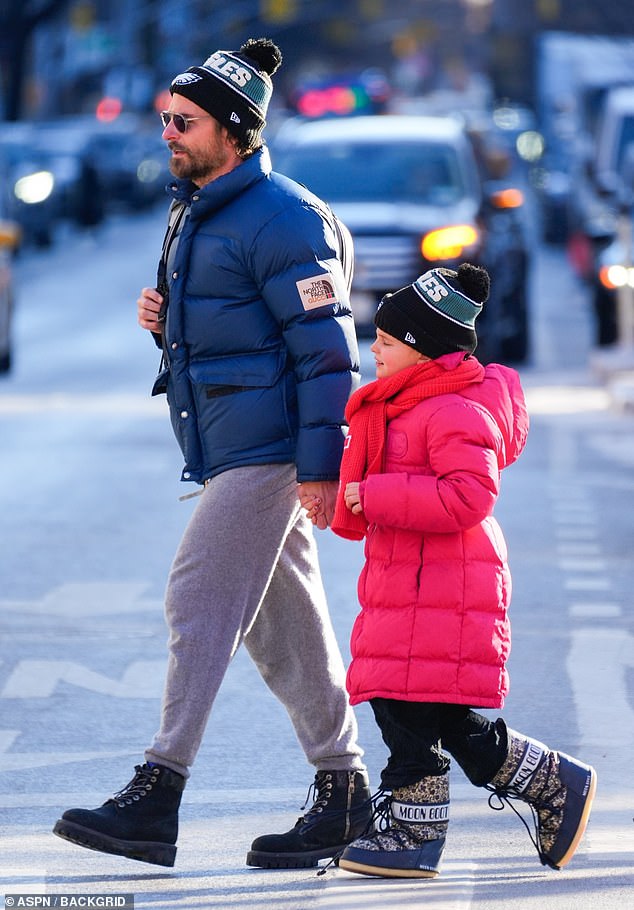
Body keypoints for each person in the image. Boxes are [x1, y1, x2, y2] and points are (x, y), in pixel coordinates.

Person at [53, 37, 372, 870]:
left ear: (233, 129)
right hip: (235, 441)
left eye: (182, 121)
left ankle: (157, 793)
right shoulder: (200, 208)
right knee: (283, 626)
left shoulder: (287, 219)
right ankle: (346, 792)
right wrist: (169, 320)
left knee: (198, 600)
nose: (166, 133)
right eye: (164, 118)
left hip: (268, 449)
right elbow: (243, 333)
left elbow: (327, 352)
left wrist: (319, 466)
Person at [310, 262, 596, 879]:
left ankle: (414, 835)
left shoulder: (453, 411)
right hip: (412, 579)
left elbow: (469, 498)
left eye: (386, 343)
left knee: (403, 706)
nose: (375, 351)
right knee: (433, 713)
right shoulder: (409, 403)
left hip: (444, 580)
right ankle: (554, 783)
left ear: (422, 350)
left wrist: (378, 494)